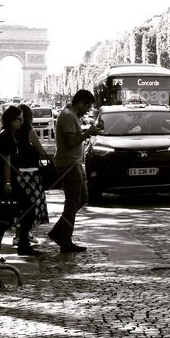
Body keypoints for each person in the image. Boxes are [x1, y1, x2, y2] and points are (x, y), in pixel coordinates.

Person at [47, 90, 101, 253]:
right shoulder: (69, 116)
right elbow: (71, 142)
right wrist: (88, 133)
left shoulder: (70, 115)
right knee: (73, 201)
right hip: (69, 163)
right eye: (88, 106)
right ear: (81, 102)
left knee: (81, 198)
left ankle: (59, 233)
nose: (88, 110)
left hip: (73, 162)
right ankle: (64, 239)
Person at [0, 105, 40, 258]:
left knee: (6, 214)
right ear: (11, 120)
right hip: (5, 181)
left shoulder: (7, 133)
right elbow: (6, 161)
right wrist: (8, 182)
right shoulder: (7, 135)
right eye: (19, 119)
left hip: (4, 180)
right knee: (8, 214)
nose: (22, 122)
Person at [11, 104, 50, 247]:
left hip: (17, 171)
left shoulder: (12, 131)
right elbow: (40, 150)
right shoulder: (29, 130)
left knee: (20, 205)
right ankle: (26, 234)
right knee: (33, 204)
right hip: (31, 172)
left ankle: (18, 235)